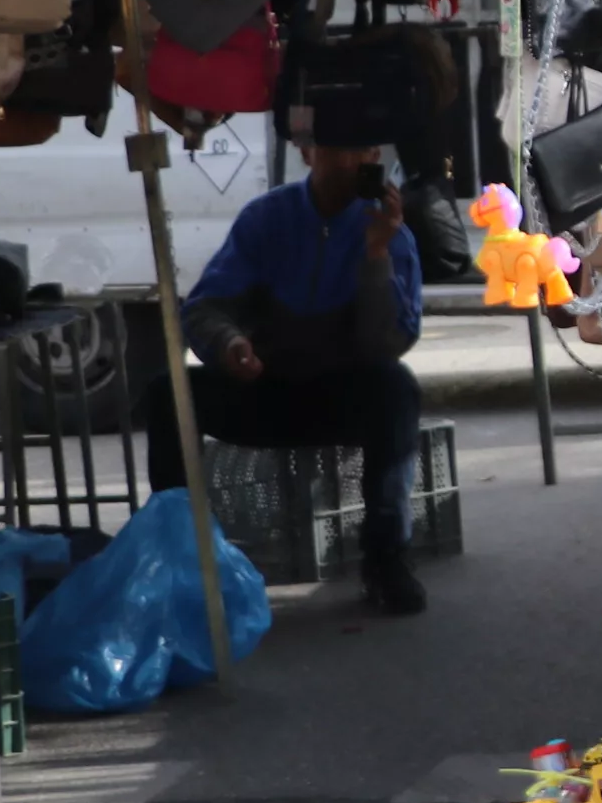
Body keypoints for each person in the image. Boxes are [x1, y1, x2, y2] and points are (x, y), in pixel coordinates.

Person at [154, 136, 429, 616]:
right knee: (167, 396)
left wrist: (376, 257)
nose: (357, 159)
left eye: (365, 150)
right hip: (262, 388)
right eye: (341, 146)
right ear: (307, 151)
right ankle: (177, 555)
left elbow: (387, 344)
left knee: (397, 391)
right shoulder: (266, 219)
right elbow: (204, 309)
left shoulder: (391, 235)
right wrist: (229, 343)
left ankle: (387, 560)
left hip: (343, 392)